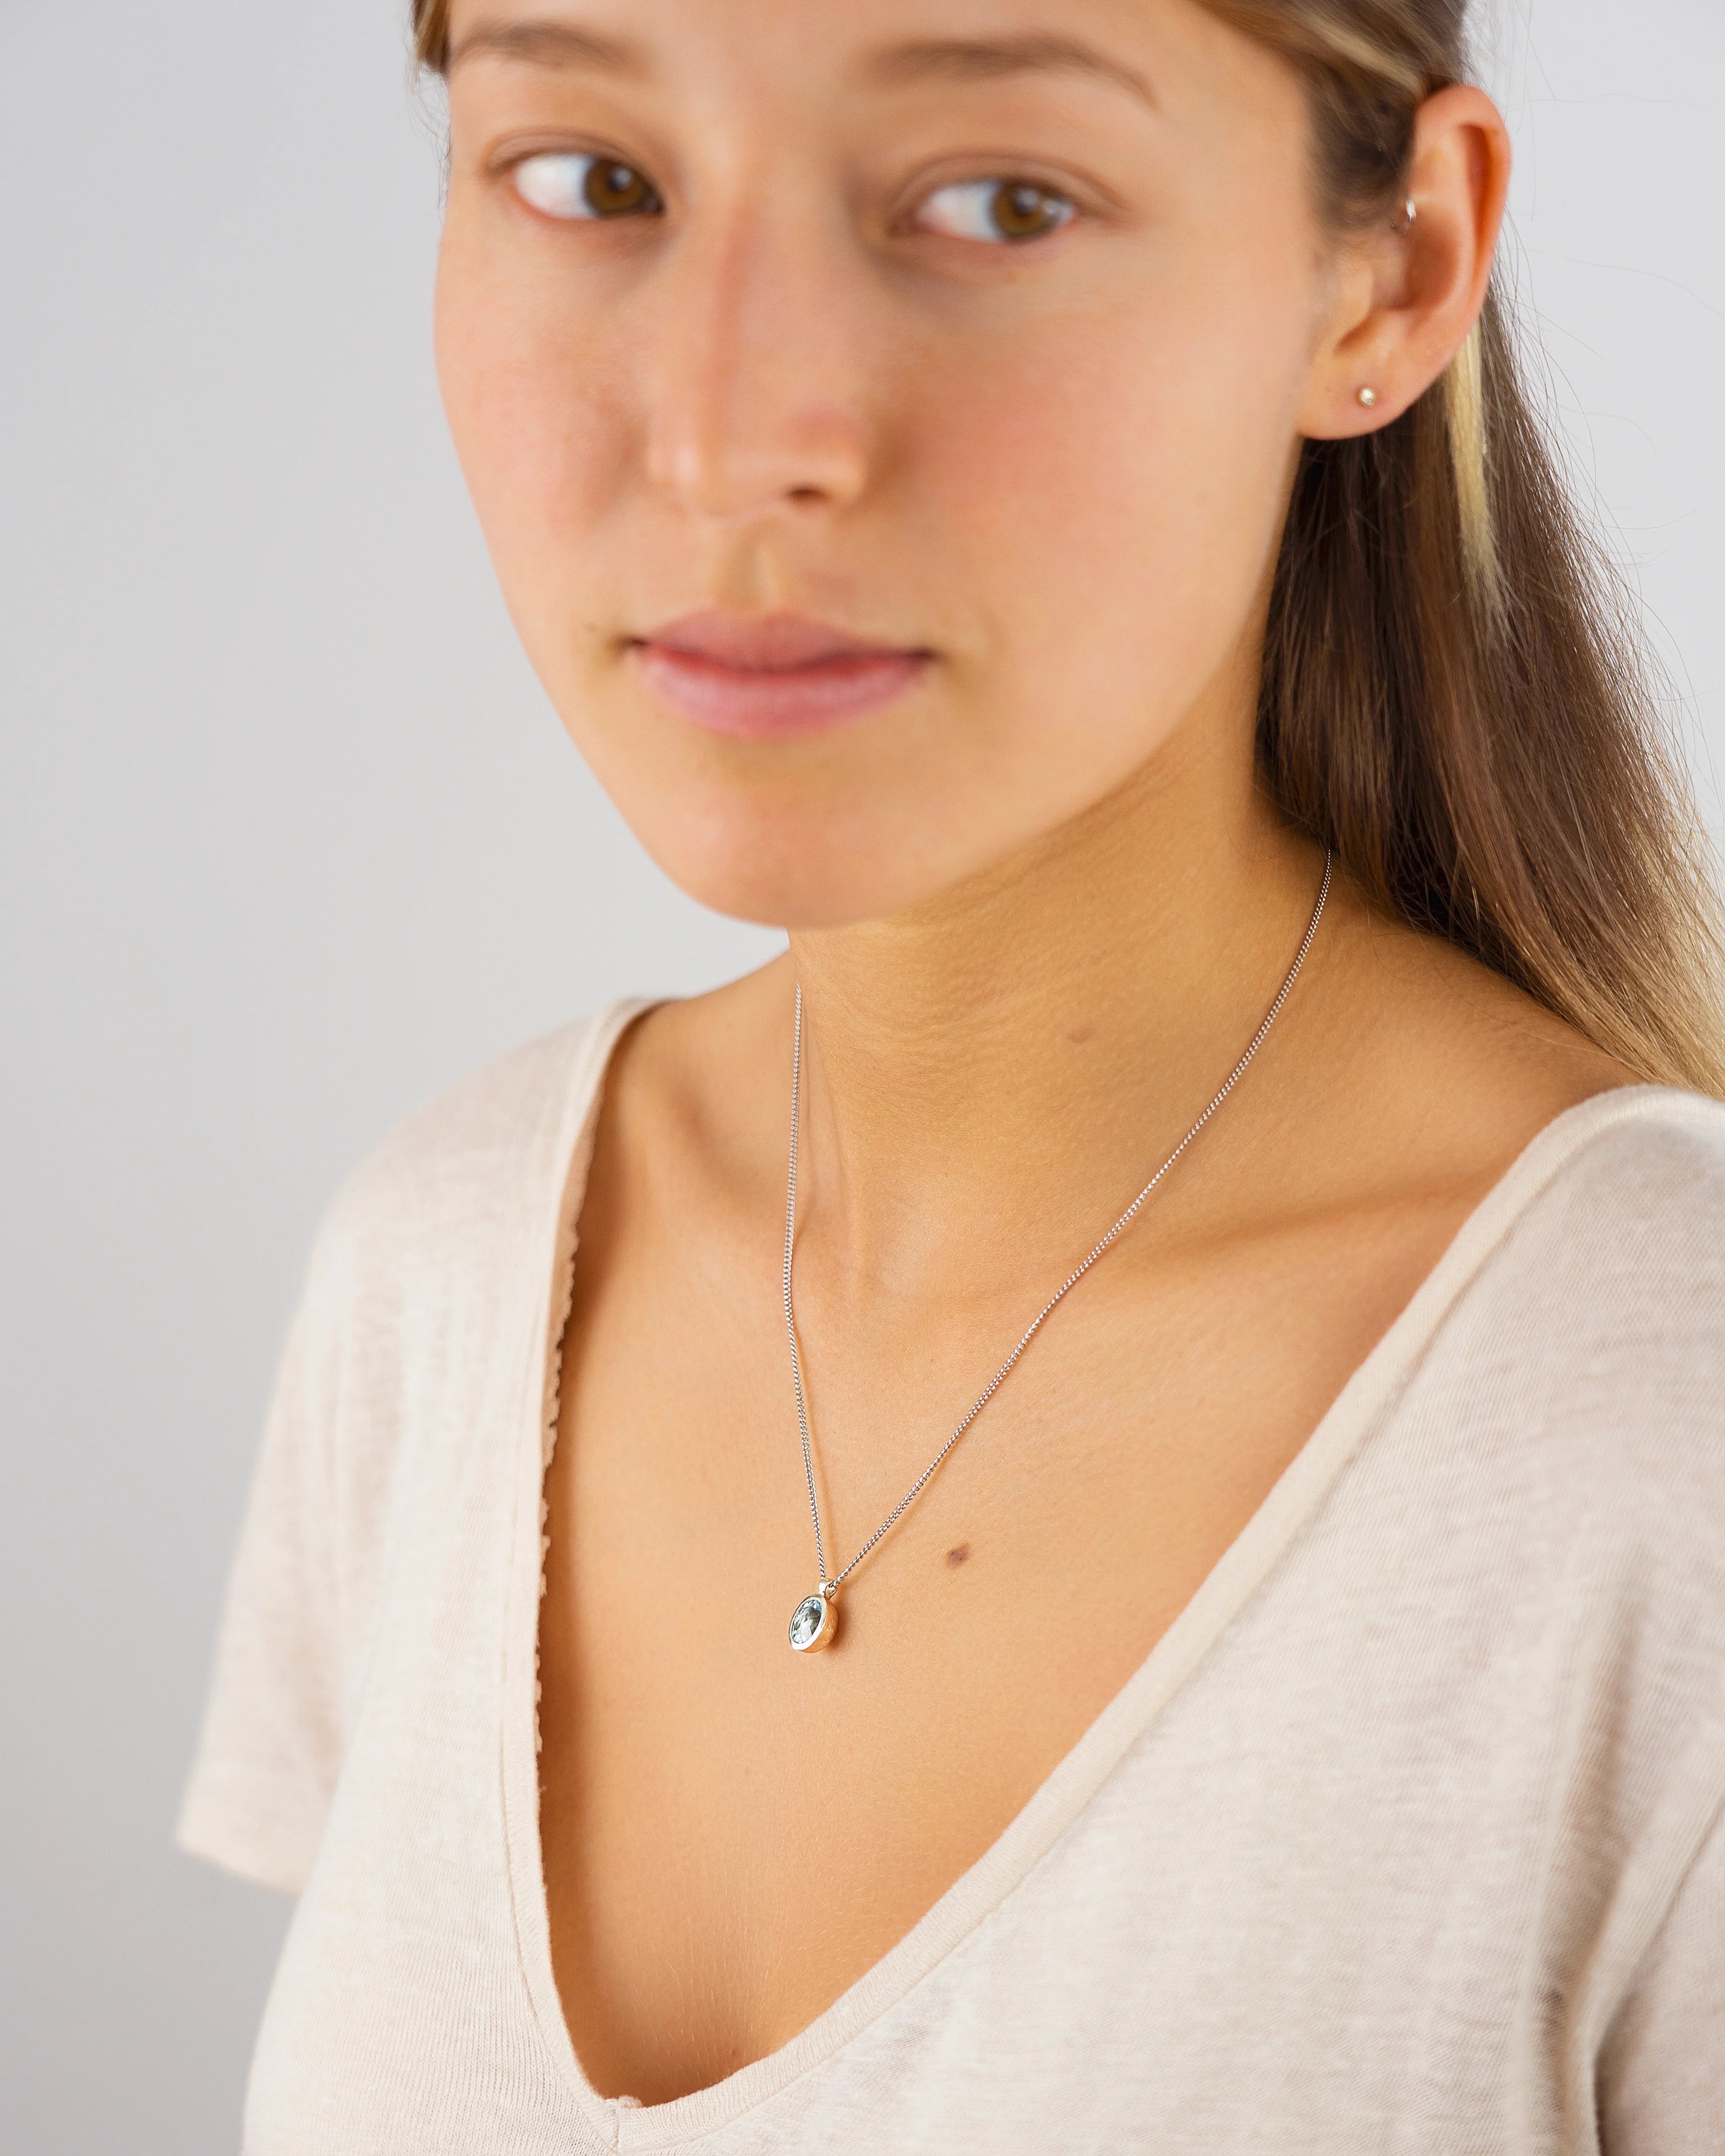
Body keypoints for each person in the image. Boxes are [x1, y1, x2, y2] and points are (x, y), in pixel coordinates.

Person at [178, 0, 1725, 2147]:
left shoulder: (1669, 1443)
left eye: (999, 203)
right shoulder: (445, 1271)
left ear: (1392, 271)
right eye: (595, 179)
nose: (732, 440)